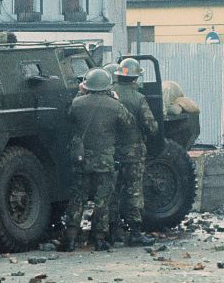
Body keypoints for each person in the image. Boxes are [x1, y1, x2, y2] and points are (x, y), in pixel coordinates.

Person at [61, 68, 135, 252]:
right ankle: (100, 240)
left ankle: (70, 239)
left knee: (78, 198)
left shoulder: (77, 103)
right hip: (105, 161)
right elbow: (129, 123)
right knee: (103, 200)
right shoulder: (114, 105)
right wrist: (116, 100)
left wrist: (80, 92)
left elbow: (68, 117)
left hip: (81, 159)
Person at [111, 58, 158, 247]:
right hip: (133, 152)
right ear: (135, 78)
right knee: (133, 191)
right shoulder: (138, 98)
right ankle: (135, 232)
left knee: (113, 191)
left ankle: (113, 231)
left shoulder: (108, 93)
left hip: (111, 151)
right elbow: (151, 126)